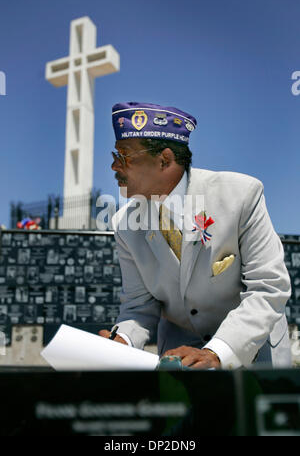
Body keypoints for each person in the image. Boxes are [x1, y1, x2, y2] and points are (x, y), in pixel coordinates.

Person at [99, 101, 292, 370]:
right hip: (178, 362)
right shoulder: (124, 224)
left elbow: (269, 287)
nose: (113, 166)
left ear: (164, 160)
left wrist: (217, 351)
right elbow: (139, 306)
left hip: (253, 354)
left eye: (124, 156)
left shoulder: (241, 194)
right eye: (114, 155)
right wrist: (122, 340)